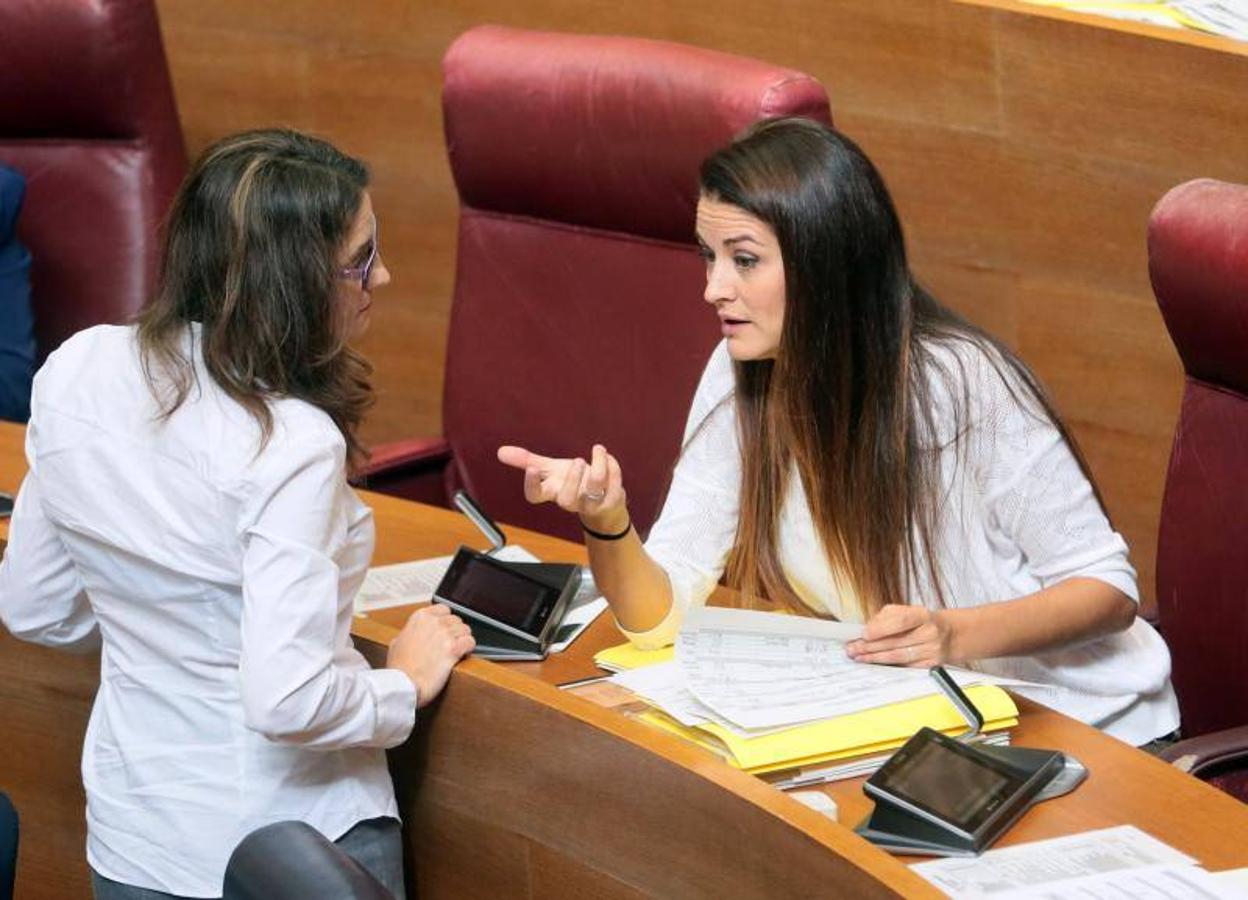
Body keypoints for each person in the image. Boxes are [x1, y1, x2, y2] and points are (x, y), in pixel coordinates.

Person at [499, 117, 1177, 747]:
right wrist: (608, 523)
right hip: (934, 717)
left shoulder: (962, 384)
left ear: (825, 260)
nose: (713, 288)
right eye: (708, 257)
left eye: (744, 260)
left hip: (1083, 726)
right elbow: (658, 618)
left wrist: (952, 634)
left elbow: (1107, 590)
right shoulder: (740, 368)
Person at [0, 130, 475, 899]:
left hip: (134, 837)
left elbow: (34, 607)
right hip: (290, 847)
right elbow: (286, 699)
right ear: (290, 281)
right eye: (360, 259)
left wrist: (160, 625)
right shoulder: (290, 443)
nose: (380, 276)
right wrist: (403, 686)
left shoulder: (77, 369)